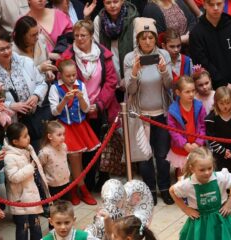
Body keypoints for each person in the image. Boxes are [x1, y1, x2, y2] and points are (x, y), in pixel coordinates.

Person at [60, 20, 121, 190]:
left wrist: (100, 103)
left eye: (83, 35)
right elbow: (63, 82)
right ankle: (85, 184)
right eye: (76, 35)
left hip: (102, 107)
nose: (79, 39)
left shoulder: (102, 54)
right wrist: (81, 103)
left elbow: (110, 82)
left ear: (91, 36)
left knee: (103, 147)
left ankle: (103, 181)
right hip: (78, 110)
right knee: (84, 150)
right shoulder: (68, 56)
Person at [123, 16, 174, 205]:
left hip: (161, 113)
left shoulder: (164, 55)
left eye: (150, 37)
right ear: (137, 39)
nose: (147, 42)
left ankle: (164, 188)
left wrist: (163, 71)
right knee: (144, 156)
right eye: (143, 38)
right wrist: (135, 72)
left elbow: (170, 85)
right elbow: (130, 90)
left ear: (155, 39)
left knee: (162, 155)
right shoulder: (130, 58)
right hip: (140, 115)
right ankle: (150, 190)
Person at [0, 28, 49, 149]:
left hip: (33, 118)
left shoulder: (26, 62)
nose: (6, 52)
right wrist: (11, 105)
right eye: (1, 49)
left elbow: (42, 83)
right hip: (11, 126)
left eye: (8, 47)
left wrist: (36, 96)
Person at [48, 58, 100, 205]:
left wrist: (81, 98)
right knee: (73, 161)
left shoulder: (80, 85)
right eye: (68, 76)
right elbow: (54, 111)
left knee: (77, 161)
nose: (72, 79)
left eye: (74, 75)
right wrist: (64, 100)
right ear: (61, 76)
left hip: (80, 127)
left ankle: (75, 190)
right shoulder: (55, 88)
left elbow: (85, 109)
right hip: (64, 128)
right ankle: (80, 190)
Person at [189, 0, 231, 120]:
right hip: (212, 90)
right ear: (205, 5)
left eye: (219, 4)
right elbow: (201, 61)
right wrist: (223, 85)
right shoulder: (197, 32)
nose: (216, 8)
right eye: (211, 4)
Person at [3, 122, 47, 240]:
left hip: (32, 194)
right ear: (15, 141)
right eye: (25, 136)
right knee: (23, 226)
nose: (29, 138)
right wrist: (29, 168)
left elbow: (37, 167)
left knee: (36, 223)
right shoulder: (9, 157)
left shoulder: (28, 148)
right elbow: (13, 177)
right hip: (20, 198)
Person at [166, 75, 206, 176]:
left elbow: (203, 126)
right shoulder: (173, 110)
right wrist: (184, 144)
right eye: (187, 92)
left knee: (198, 175)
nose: (191, 94)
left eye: (193, 91)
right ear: (178, 93)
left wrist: (198, 143)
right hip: (181, 149)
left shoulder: (199, 107)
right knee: (182, 176)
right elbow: (173, 130)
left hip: (197, 148)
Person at [93, 0, 139, 78]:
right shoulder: (98, 20)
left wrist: (129, 76)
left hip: (130, 70)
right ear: (103, 4)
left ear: (122, 1)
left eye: (115, 1)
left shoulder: (134, 19)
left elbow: (137, 49)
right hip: (108, 72)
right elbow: (96, 49)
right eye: (108, 3)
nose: (112, 5)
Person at [205, 86, 231, 177]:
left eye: (228, 103)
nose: (225, 106)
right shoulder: (211, 118)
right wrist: (223, 151)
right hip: (218, 153)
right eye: (221, 103)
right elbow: (211, 138)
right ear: (216, 103)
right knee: (220, 177)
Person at [12, 16, 58, 82]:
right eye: (33, 35)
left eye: (38, 33)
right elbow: (19, 78)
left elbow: (47, 60)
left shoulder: (41, 39)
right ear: (22, 36)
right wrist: (40, 69)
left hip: (46, 85)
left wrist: (49, 71)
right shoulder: (13, 51)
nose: (37, 37)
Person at [37, 121, 71, 201]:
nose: (63, 137)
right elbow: (39, 167)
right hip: (53, 185)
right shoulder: (45, 152)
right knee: (56, 206)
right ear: (50, 136)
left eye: (63, 134)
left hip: (66, 182)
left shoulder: (64, 146)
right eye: (59, 135)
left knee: (66, 204)